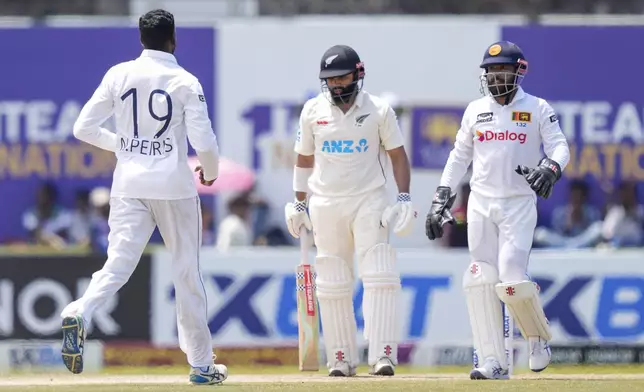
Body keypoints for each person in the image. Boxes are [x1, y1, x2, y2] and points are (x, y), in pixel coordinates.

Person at [60, 9, 227, 385]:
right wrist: (211, 172)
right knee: (186, 273)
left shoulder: (118, 74)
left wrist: (123, 146)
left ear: (141, 39)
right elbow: (204, 142)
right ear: (174, 40)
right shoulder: (185, 81)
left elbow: (83, 128)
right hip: (174, 188)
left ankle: (80, 311)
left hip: (129, 185)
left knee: (117, 265)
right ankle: (201, 365)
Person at [425, 41, 570, 380]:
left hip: (518, 203)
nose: (495, 76)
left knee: (511, 276)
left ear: (519, 72)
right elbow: (459, 156)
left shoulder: (536, 107)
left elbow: (559, 145)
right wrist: (440, 196)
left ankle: (536, 338)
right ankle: (491, 361)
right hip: (480, 202)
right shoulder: (475, 110)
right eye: (490, 71)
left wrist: (550, 167)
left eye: (502, 70)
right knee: (480, 277)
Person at [284, 45, 413, 377]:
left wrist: (403, 198)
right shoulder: (313, 110)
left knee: (379, 274)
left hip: (370, 199)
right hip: (326, 203)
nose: (337, 85)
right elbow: (304, 159)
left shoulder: (379, 110)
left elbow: (397, 155)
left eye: (342, 77)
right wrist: (299, 203)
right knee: (332, 279)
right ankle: (340, 357)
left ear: (358, 73)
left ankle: (383, 354)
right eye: (330, 80)